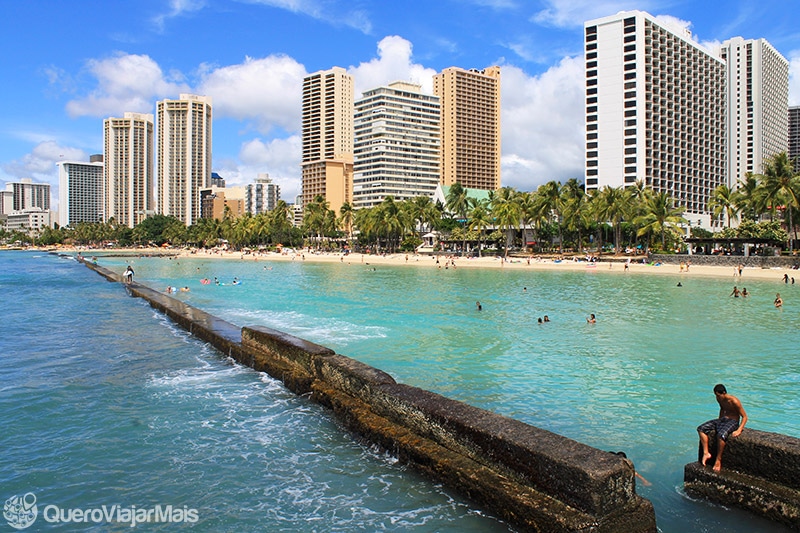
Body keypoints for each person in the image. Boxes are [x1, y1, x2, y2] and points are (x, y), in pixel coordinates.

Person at [697, 384, 747, 472]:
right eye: (716, 396)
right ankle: (706, 453)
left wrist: (739, 430)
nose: (717, 398)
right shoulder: (719, 399)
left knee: (721, 435)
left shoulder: (734, 401)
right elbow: (722, 409)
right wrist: (719, 421)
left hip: (733, 421)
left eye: (718, 395)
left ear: (723, 393)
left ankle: (718, 459)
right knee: (701, 429)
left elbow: (744, 417)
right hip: (723, 419)